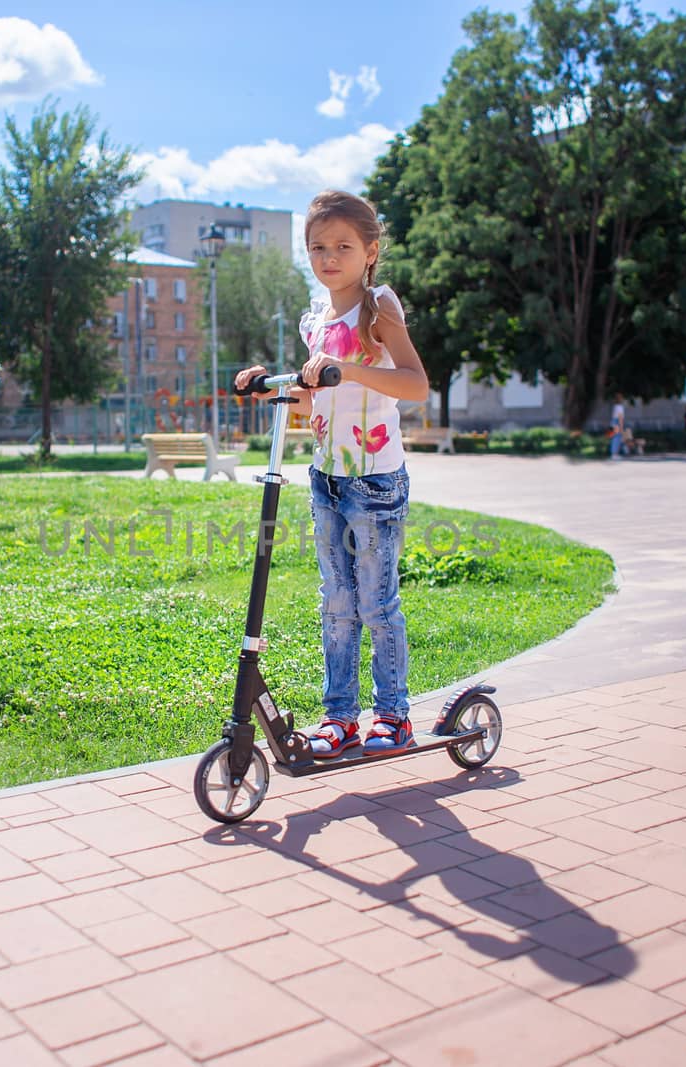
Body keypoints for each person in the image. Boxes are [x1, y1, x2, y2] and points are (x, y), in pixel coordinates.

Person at [233, 190, 429, 759]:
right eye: (318, 247)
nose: (329, 257)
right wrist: (270, 388)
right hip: (327, 477)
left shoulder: (378, 309)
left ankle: (394, 714)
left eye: (343, 246)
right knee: (336, 602)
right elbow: (312, 406)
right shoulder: (315, 323)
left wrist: (357, 370)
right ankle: (340, 716)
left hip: (375, 479)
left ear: (370, 251)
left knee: (376, 603)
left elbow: (416, 385)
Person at [609, 393, 627, 459]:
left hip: (613, 422)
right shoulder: (620, 407)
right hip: (617, 423)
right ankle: (615, 454)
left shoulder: (615, 406)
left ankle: (613, 453)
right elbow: (620, 418)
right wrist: (621, 428)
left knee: (613, 438)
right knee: (617, 438)